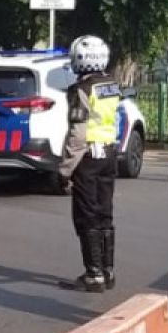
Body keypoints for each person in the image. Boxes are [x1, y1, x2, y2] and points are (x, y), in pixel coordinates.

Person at [57, 35, 119, 292]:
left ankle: (93, 274)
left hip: (88, 157)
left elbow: (78, 133)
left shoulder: (80, 90)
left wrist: (65, 169)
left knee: (86, 215)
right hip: (109, 153)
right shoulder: (110, 84)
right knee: (105, 212)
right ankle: (107, 270)